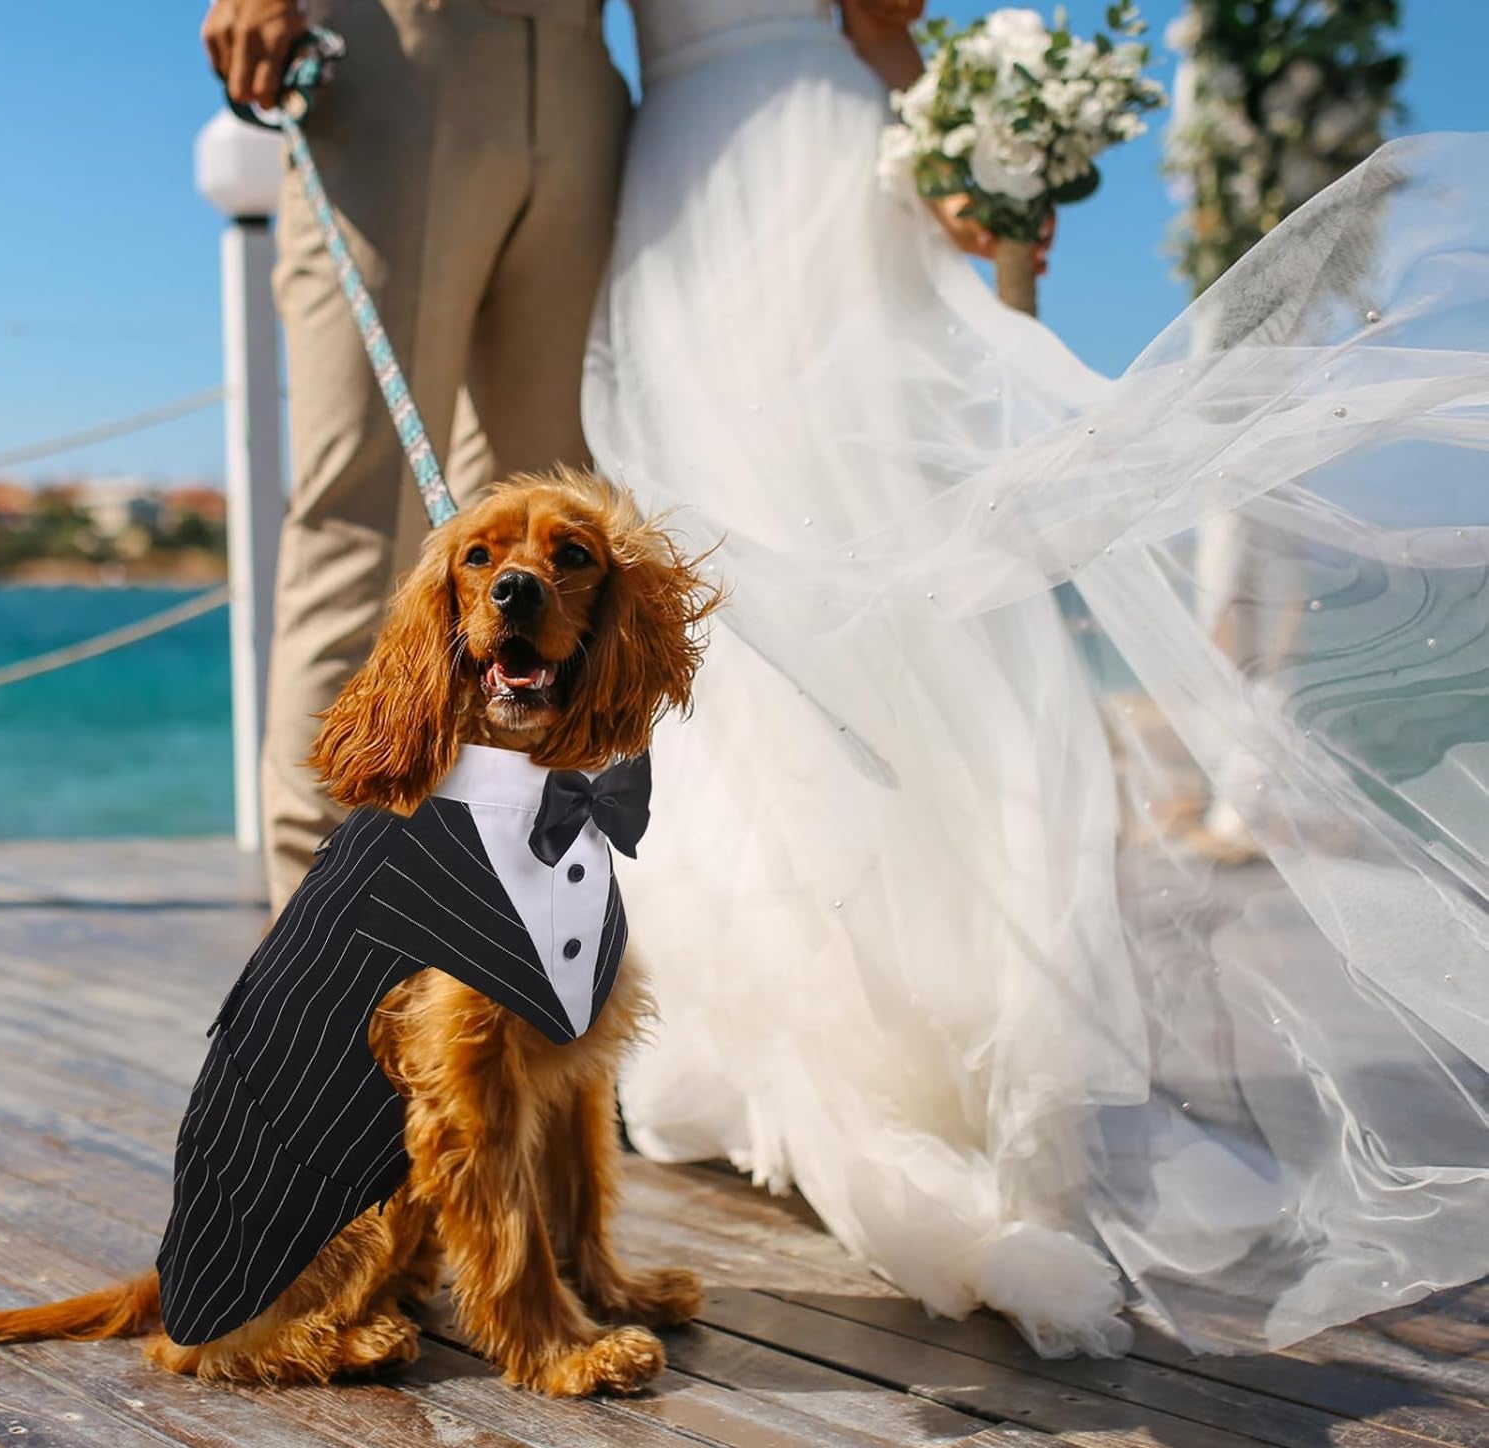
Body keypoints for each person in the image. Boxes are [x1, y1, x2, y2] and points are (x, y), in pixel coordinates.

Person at [583, 1, 1489, 1358]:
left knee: (744, 608)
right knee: (854, 602)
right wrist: (957, 135)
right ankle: (855, 1036)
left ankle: (787, 1047)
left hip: (693, 181)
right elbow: (888, 27)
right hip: (776, 166)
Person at [201, 0, 631, 911]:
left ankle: (500, 978)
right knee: (362, 527)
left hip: (586, 75)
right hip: (400, 47)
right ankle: (322, 979)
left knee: (562, 558)